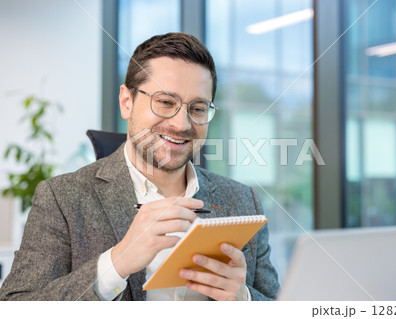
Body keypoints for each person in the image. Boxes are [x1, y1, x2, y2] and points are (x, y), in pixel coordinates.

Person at [0, 32, 279, 301]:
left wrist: (244, 300)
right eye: (165, 102)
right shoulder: (62, 198)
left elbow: (281, 305)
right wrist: (116, 263)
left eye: (198, 108)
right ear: (126, 102)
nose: (182, 124)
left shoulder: (244, 201)